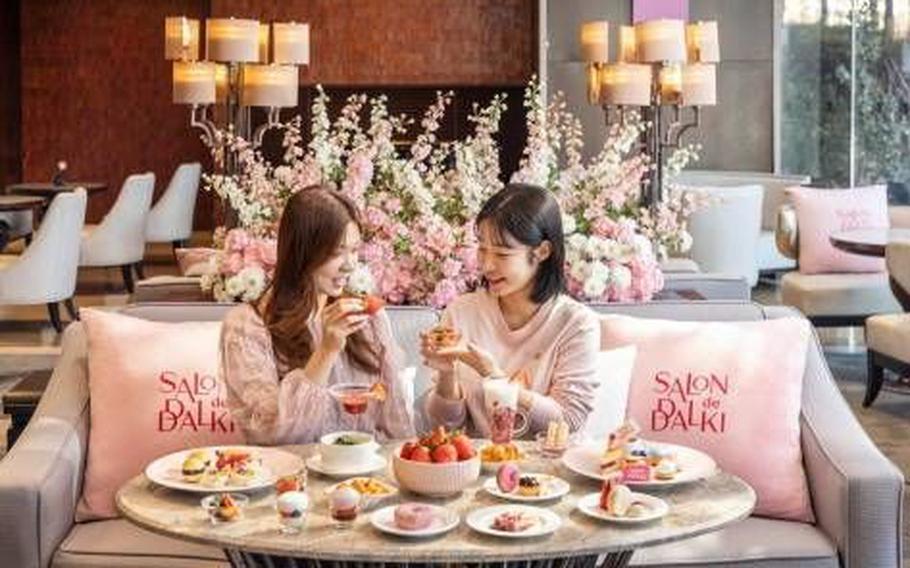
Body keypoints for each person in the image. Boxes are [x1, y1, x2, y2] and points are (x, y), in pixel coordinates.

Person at [220, 186, 414, 445]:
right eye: (336, 252)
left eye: (354, 250)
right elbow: (270, 434)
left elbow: (397, 427)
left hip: (366, 480)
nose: (350, 264)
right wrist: (327, 350)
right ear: (301, 254)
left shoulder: (366, 318)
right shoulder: (247, 326)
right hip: (289, 478)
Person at [422, 183, 600, 438]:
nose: (487, 265)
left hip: (548, 471)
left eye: (503, 255)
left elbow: (568, 420)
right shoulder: (461, 312)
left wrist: (494, 376)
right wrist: (446, 373)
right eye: (482, 249)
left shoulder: (576, 323)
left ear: (542, 251)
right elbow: (446, 427)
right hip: (478, 471)